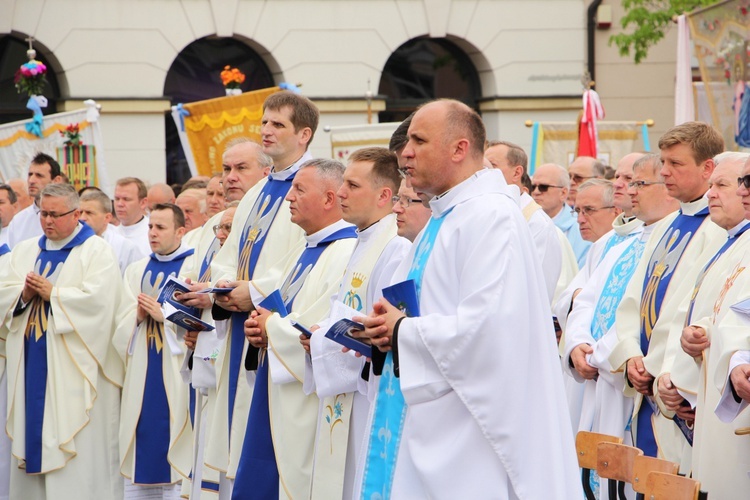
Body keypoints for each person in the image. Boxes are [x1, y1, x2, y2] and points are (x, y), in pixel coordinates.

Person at [355, 99, 581, 498]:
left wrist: (403, 330)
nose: (405, 153)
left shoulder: (490, 217)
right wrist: (384, 327)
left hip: (470, 432)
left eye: (418, 141)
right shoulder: (446, 215)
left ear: (459, 148)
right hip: (431, 415)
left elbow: (490, 329)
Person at [209, 91, 318, 491]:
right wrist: (220, 288)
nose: (266, 131)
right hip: (240, 323)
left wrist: (252, 292)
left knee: (268, 446)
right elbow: (230, 251)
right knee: (239, 440)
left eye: (278, 125)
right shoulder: (258, 190)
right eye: (264, 123)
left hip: (271, 327)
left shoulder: (312, 185)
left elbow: (307, 259)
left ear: (304, 134)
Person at [234, 159, 358, 499]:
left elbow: (316, 325)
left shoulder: (345, 251)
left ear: (329, 198)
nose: (288, 197)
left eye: (299, 189)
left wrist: (269, 327)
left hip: (303, 400)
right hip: (274, 388)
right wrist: (260, 327)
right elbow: (276, 307)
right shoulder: (303, 249)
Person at [609, 122, 726, 468]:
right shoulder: (664, 225)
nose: (664, 172)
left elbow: (688, 314)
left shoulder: (716, 230)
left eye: (675, 164)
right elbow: (632, 301)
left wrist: (662, 371)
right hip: (645, 385)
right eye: (663, 163)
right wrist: (630, 355)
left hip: (673, 394)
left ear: (708, 168)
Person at [562, 154, 678, 497]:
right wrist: (575, 347)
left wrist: (600, 355)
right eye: (629, 182)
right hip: (596, 377)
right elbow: (585, 299)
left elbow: (640, 314)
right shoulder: (620, 244)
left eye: (639, 183)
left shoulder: (667, 243)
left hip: (625, 382)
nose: (629, 190)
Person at [0, 183, 123, 499]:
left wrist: (54, 294)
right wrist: (22, 295)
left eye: (55, 215)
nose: (47, 221)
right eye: (43, 214)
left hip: (75, 373)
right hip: (30, 366)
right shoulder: (27, 250)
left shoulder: (97, 251)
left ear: (77, 214)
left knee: (80, 461)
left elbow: (102, 305)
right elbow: (4, 292)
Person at [303, 148, 410, 500]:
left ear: (383, 195)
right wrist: (318, 334)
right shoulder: (362, 241)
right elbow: (343, 309)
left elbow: (378, 326)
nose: (342, 193)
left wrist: (322, 341)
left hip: (369, 393)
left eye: (352, 185)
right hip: (347, 392)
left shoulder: (393, 247)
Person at [667, 152, 750, 497]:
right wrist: (697, 333)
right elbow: (724, 313)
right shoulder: (730, 243)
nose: (710, 193)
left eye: (722, 185)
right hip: (719, 390)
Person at [114, 203, 196, 499]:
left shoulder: (194, 267)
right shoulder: (137, 269)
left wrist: (166, 317)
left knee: (176, 437)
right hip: (142, 369)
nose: (152, 233)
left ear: (181, 231)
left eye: (160, 227)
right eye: (150, 227)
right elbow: (118, 325)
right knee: (143, 441)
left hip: (177, 369)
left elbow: (204, 322)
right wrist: (136, 315)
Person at [485, 141, 563, 301]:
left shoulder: (538, 224)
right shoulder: (488, 212)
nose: (486, 172)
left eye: (493, 165)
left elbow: (537, 289)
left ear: (517, 172)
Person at [533, 162, 590, 267]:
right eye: (532, 186)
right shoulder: (523, 222)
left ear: (563, 193)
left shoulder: (581, 228)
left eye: (543, 187)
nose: (536, 192)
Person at [6, 153, 63, 248]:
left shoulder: (68, 216)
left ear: (56, 180)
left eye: (39, 176)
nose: (32, 180)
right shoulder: (18, 221)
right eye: (30, 174)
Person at [79, 189, 141, 274]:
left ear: (107, 218)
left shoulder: (124, 247)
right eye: (80, 212)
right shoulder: (72, 242)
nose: (82, 218)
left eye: (89, 213)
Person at [112, 177, 151, 258]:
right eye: (117, 199)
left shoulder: (152, 234)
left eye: (126, 199)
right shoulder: (110, 234)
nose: (120, 204)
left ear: (143, 203)